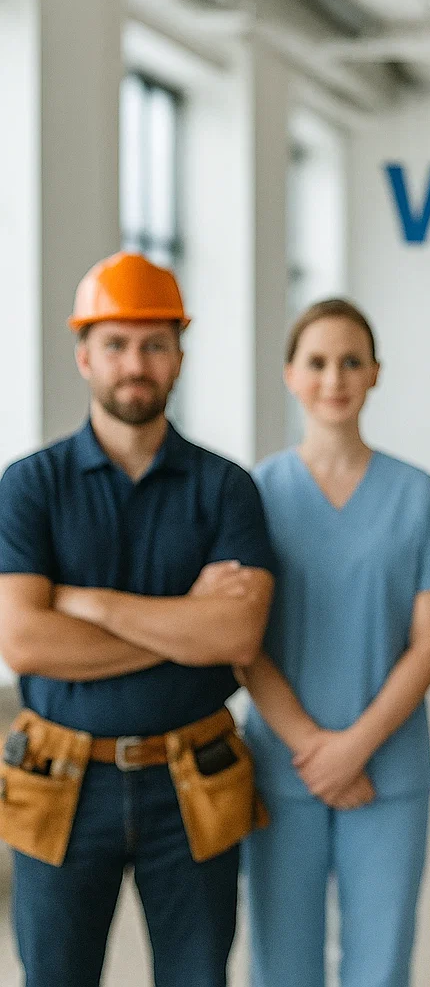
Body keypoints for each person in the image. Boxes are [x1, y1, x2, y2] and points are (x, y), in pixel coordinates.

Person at [0, 252, 274, 987]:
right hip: (58, 777)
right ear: (84, 355)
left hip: (194, 775)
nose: (135, 363)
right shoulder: (29, 487)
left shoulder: (226, 489)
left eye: (154, 344)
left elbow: (236, 637)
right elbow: (23, 641)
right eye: (116, 344)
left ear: (179, 355)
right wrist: (186, 624)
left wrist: (85, 603)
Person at [240, 299, 430, 987]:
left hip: (388, 771)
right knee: (282, 965)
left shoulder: (418, 495)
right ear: (289, 374)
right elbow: (243, 643)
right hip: (283, 768)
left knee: (381, 965)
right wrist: (316, 749)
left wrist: (353, 748)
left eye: (350, 362)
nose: (334, 377)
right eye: (317, 362)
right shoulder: (256, 493)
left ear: (375, 374)